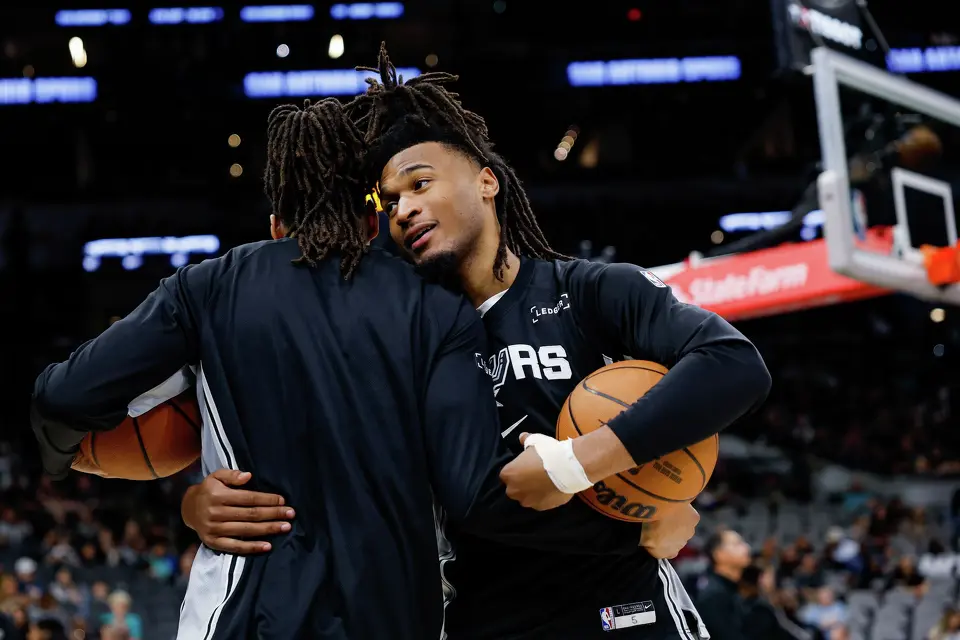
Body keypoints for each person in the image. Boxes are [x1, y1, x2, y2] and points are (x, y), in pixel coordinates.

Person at [185, 45, 772, 639]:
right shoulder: (389, 335)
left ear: (487, 181)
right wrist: (198, 501)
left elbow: (733, 365)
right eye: (388, 203)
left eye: (420, 183)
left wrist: (577, 463)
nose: (405, 208)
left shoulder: (593, 291)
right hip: (478, 622)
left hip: (625, 615)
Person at [29, 99, 666, 640]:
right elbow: (477, 498)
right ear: (371, 218)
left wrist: (71, 459)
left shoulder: (210, 288)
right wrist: (632, 518)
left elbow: (64, 395)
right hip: (395, 616)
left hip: (248, 611)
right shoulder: (438, 310)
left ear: (276, 221)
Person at [696, 529, 752, 640]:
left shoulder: (730, 589)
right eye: (737, 544)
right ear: (718, 554)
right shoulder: (714, 596)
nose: (747, 548)